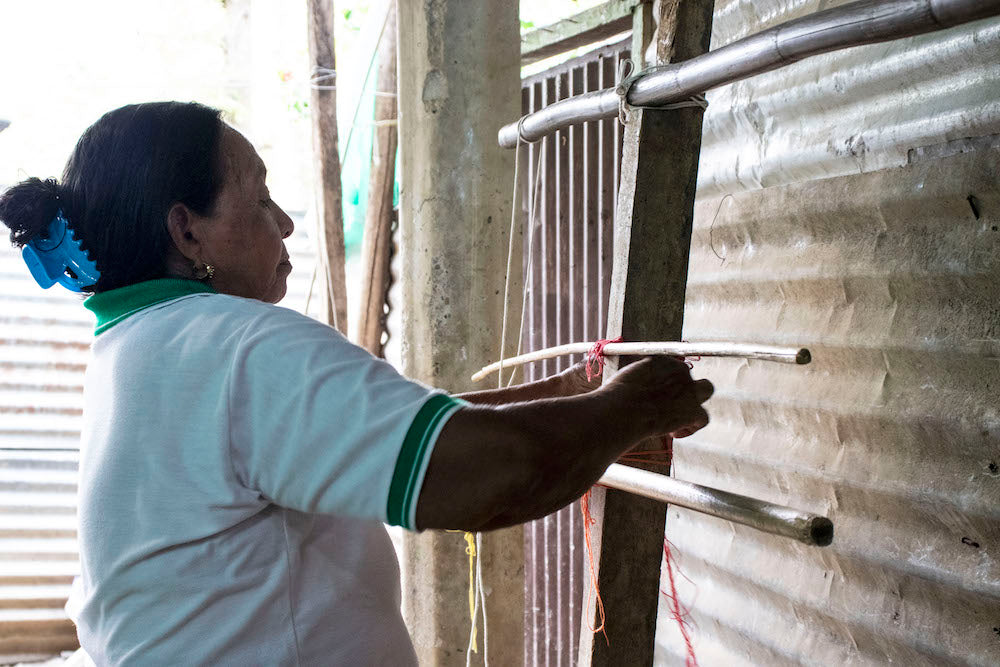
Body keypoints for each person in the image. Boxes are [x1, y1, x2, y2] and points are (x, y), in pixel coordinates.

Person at [0, 102, 713, 666]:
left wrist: (566, 394)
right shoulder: (237, 347)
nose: (284, 223)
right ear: (187, 232)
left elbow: (397, 427)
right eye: (261, 200)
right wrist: (630, 407)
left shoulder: (141, 346)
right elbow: (494, 473)